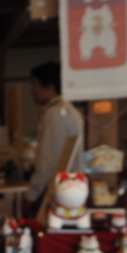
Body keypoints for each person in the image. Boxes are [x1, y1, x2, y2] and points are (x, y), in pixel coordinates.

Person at [26, 61, 85, 205]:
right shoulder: (68, 110)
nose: (31, 91)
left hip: (59, 194)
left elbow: (48, 161)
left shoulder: (56, 114)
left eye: (34, 85)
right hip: (71, 191)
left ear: (49, 87)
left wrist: (31, 194)